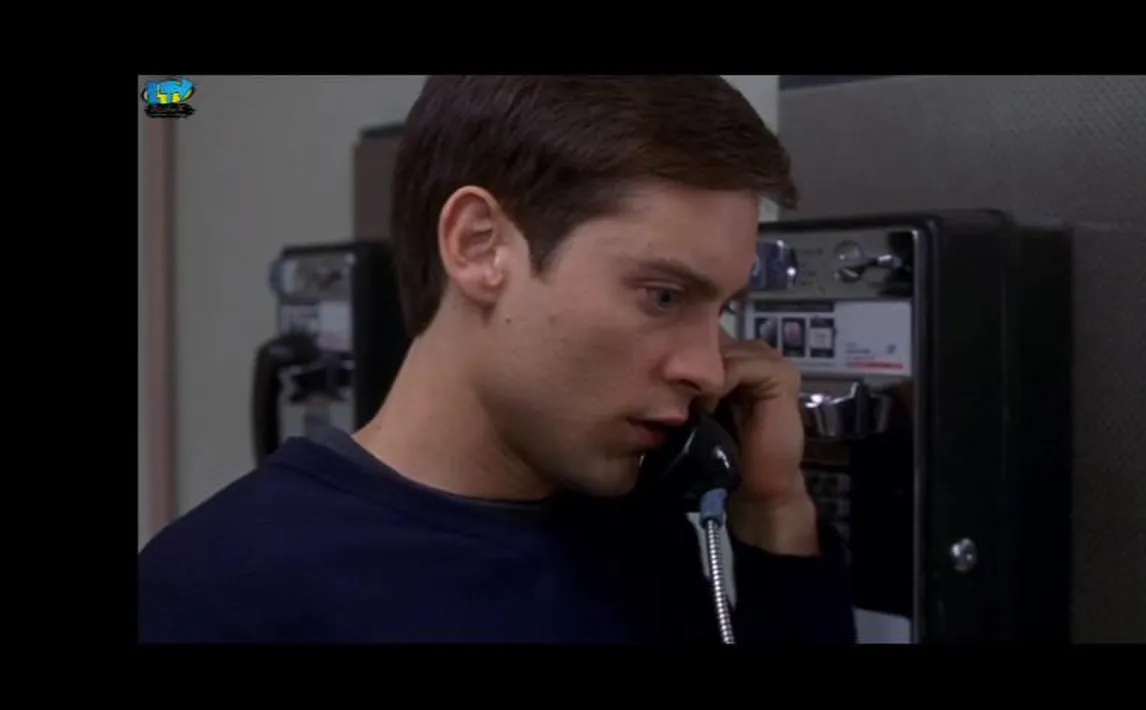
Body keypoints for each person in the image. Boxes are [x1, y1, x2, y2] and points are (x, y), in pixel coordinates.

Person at [137, 75, 856, 644]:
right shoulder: (215, 590)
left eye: (720, 310)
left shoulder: (644, 535)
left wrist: (774, 509)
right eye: (663, 297)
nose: (708, 369)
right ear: (480, 245)